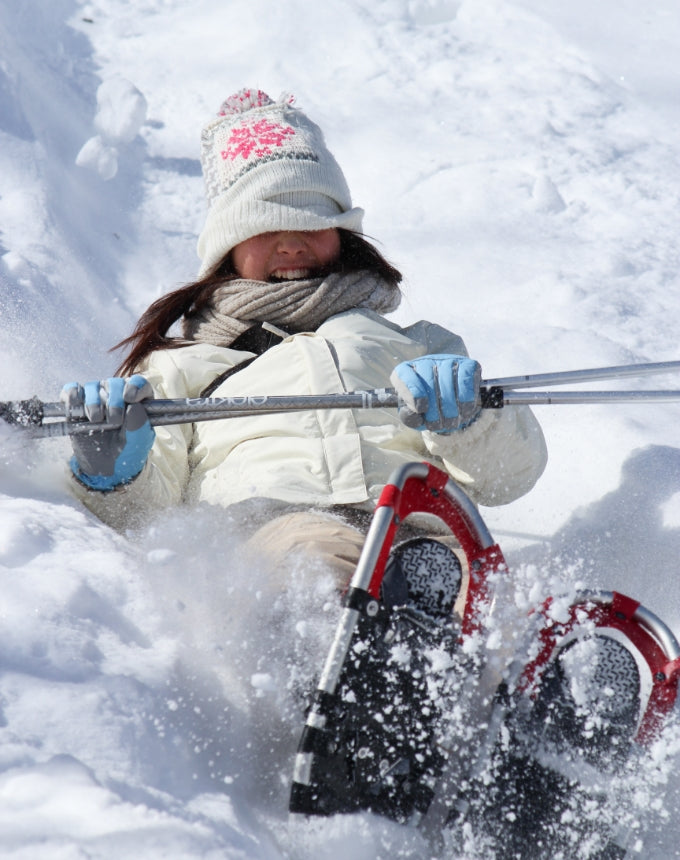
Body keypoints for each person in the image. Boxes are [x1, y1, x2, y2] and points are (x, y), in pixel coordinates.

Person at [62, 88, 548, 585]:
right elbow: (147, 518)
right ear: (228, 245)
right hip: (271, 529)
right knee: (314, 564)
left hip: (419, 526)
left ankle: (527, 650)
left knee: (464, 580)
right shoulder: (181, 365)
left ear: (342, 233)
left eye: (313, 222)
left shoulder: (417, 344)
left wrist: (472, 424)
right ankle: (355, 642)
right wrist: (112, 472)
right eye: (265, 225)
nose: (292, 243)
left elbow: (509, 477)